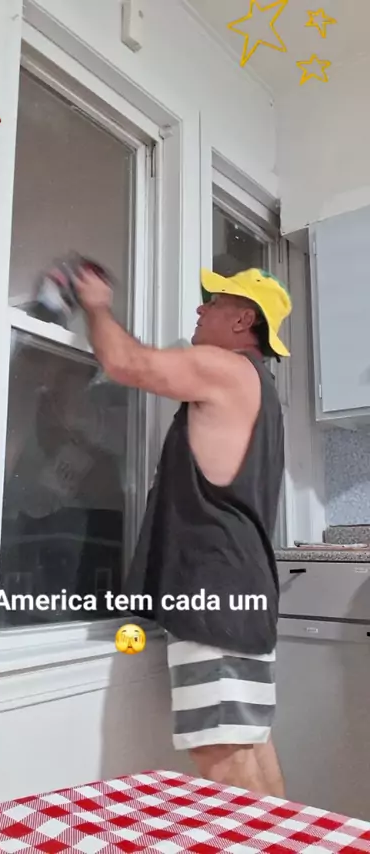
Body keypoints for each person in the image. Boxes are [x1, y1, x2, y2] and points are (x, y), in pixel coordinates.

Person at [74, 265, 292, 797]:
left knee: (223, 759)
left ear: (243, 320)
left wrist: (95, 304)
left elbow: (125, 363)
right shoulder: (259, 389)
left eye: (213, 302)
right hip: (241, 590)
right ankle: (291, 837)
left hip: (214, 589)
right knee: (248, 746)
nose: (199, 308)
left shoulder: (227, 368)